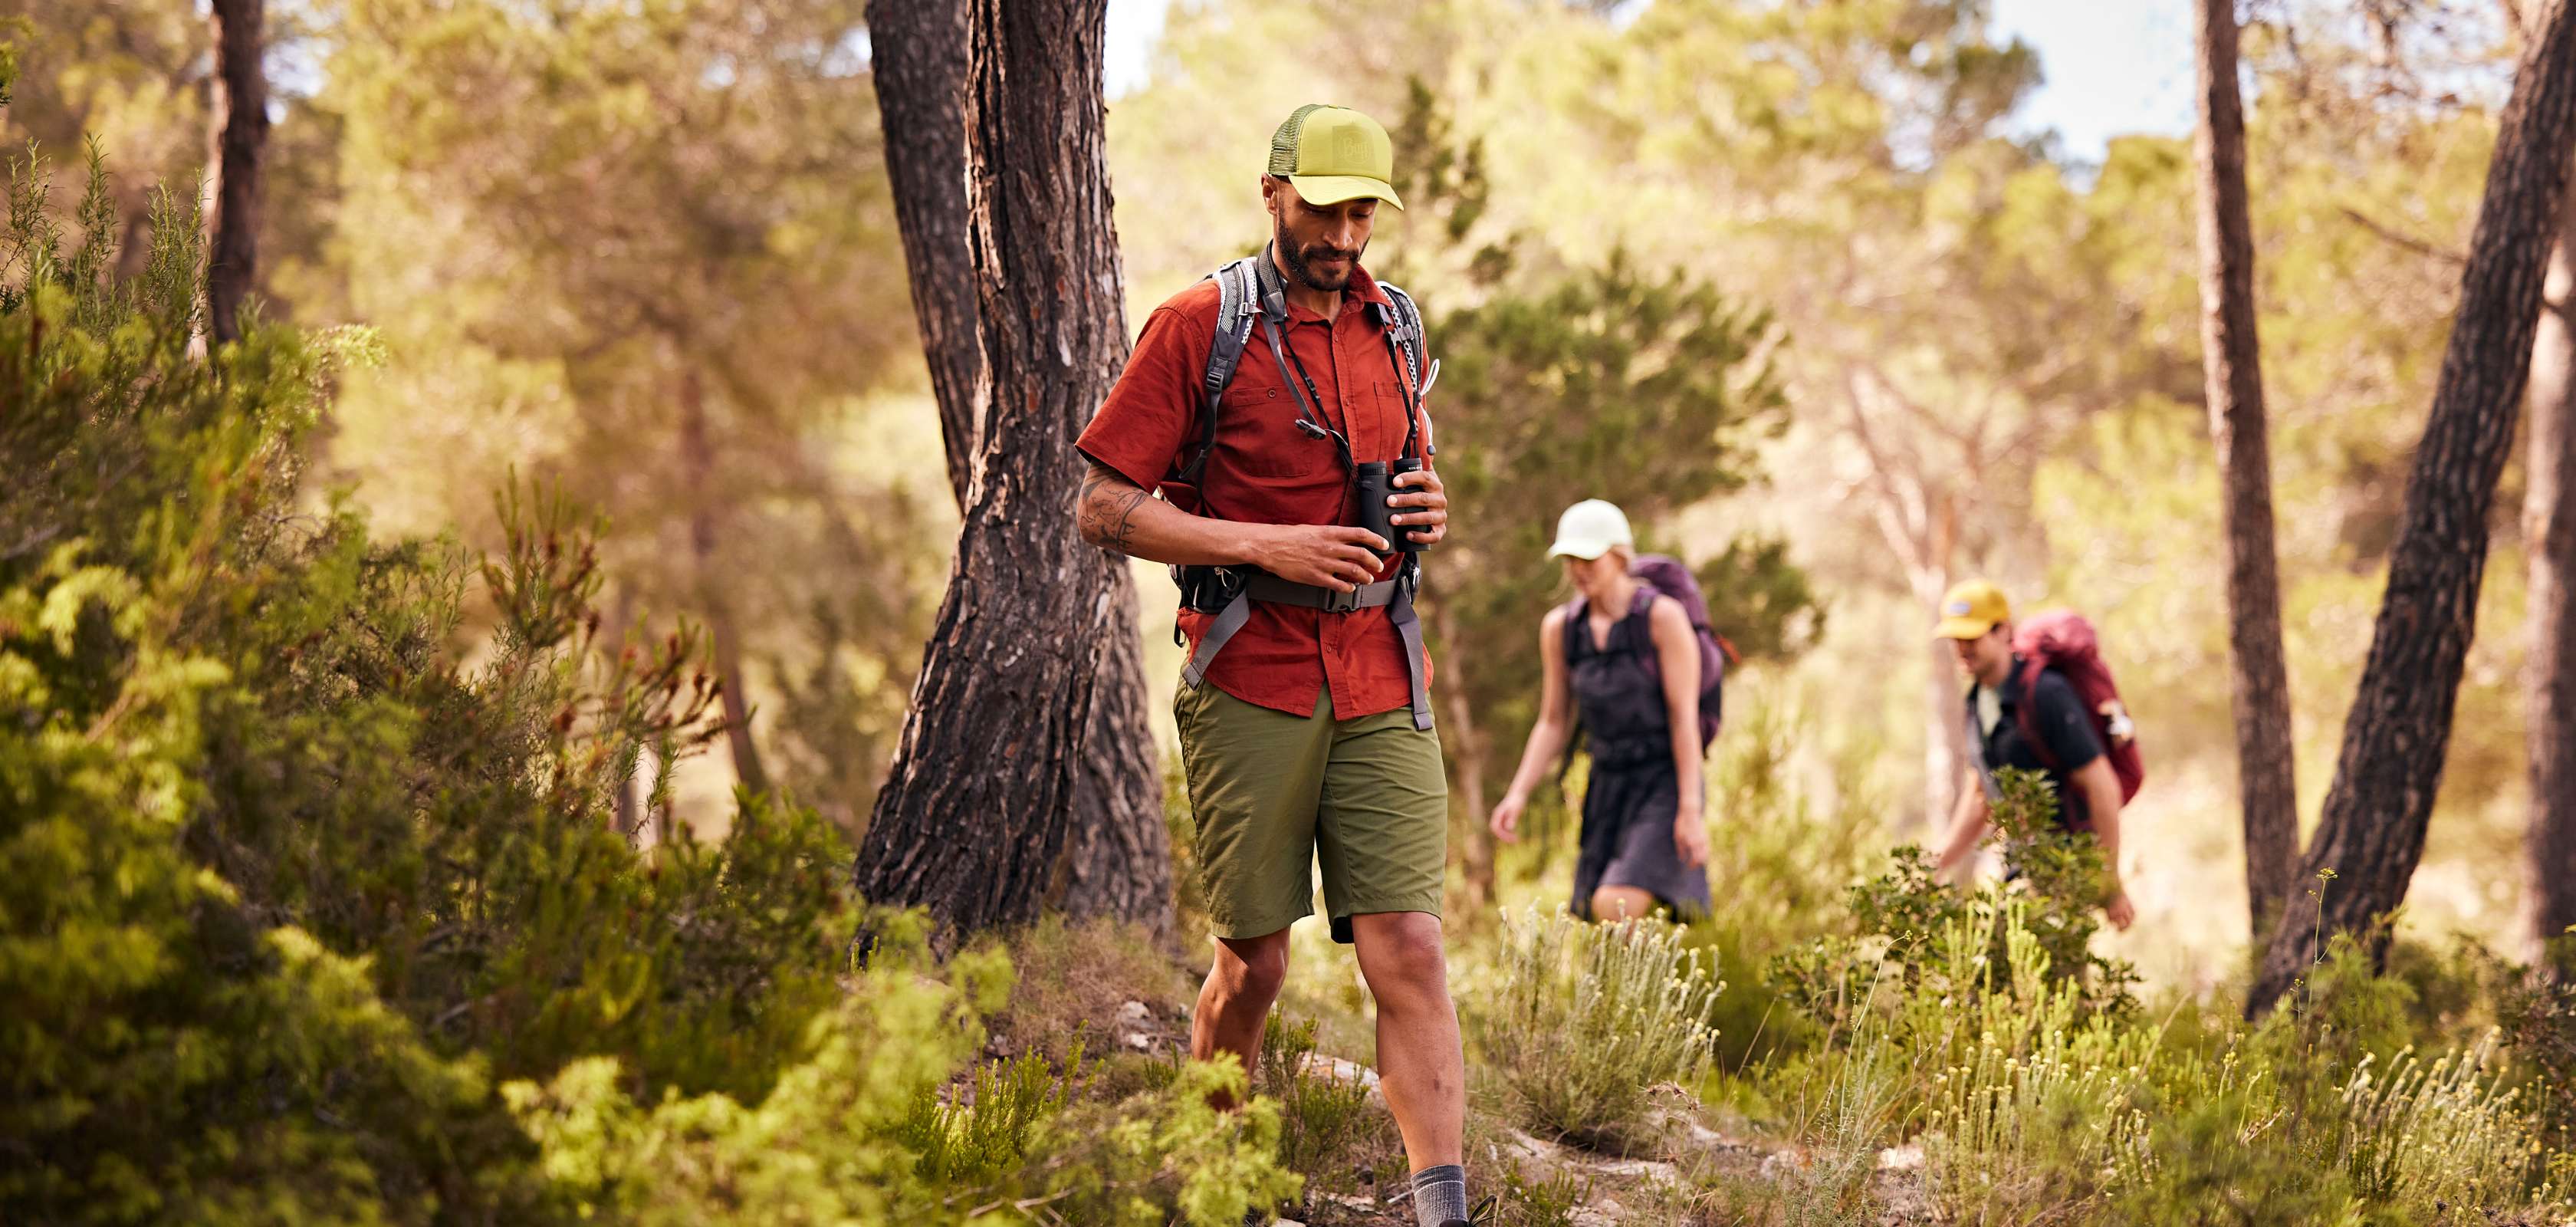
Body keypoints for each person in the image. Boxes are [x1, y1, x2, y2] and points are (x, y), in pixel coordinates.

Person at [1070, 104, 1475, 1227]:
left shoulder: (1397, 327)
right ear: (1273, 192)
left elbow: (1411, 471)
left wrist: (1428, 507)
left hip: (1385, 668)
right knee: (1254, 965)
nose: (1344, 235)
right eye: (1327, 208)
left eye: (1363, 213)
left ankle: (1443, 1208)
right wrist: (1262, 542)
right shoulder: (1199, 325)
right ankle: (1216, 1184)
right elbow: (1103, 507)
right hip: (1253, 673)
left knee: (1412, 947)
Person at [1487, 499, 1713, 924]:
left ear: (1620, 556)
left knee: (1616, 904)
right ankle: (1641, 987)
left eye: (1590, 557)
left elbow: (1685, 720)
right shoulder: (1561, 629)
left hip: (1664, 780)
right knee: (1600, 914)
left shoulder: (1663, 618)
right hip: (1607, 782)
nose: (1578, 569)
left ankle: (1648, 980)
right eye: (1570, 558)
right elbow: (1553, 721)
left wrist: (1690, 810)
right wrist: (1518, 793)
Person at [1929, 579, 2136, 931]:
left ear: (2003, 632)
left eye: (1972, 637)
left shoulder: (2046, 694)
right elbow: (1981, 793)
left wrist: (2110, 884)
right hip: (2018, 872)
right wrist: (1936, 865)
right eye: (1956, 639)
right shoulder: (1977, 702)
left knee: (2049, 977)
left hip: (2065, 873)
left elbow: (2104, 788)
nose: (1962, 649)